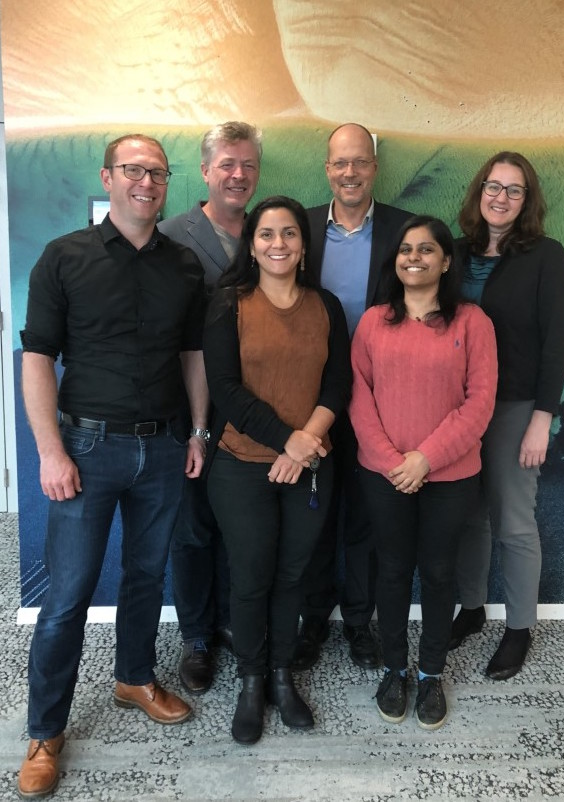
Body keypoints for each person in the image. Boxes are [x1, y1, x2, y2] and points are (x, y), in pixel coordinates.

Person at [17, 134, 207, 798]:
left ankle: (133, 678)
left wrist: (198, 431)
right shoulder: (63, 257)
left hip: (161, 448)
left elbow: (192, 355)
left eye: (157, 172)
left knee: (145, 577)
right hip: (85, 451)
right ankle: (45, 731)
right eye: (133, 170)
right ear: (108, 176)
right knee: (66, 596)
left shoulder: (183, 267)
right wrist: (48, 451)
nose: (146, 182)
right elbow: (37, 356)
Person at [203, 196, 351, 744]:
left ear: (303, 244)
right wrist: (287, 441)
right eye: (267, 234)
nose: (278, 244)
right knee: (250, 579)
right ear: (252, 244)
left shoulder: (326, 306)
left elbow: (338, 383)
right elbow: (225, 390)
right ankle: (251, 681)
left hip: (311, 465)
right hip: (241, 465)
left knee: (294, 576)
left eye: (289, 234)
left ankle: (283, 677)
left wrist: (304, 443)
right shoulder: (228, 304)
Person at [349, 215, 497, 730]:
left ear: (446, 261)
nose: (414, 257)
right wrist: (395, 462)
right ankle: (394, 669)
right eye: (406, 249)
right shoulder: (372, 322)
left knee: (437, 574)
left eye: (427, 249)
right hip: (384, 474)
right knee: (391, 572)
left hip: (451, 476)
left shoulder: (472, 322)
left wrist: (425, 459)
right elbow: (359, 399)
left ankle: (431, 672)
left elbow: (479, 405)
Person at [450, 152, 564, 680]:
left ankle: (520, 626)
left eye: (514, 189)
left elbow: (560, 342)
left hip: (516, 406)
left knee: (514, 522)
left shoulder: (545, 255)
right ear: (479, 191)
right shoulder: (452, 253)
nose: (500, 197)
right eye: (492, 186)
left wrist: (543, 418)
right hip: (457, 409)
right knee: (468, 516)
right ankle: (473, 608)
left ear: (527, 201)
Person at [293, 122, 412, 671]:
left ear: (374, 168)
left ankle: (359, 624)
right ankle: (315, 617)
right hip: (312, 396)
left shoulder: (402, 231)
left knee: (365, 515)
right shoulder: (303, 230)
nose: (350, 172)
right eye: (340, 163)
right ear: (326, 169)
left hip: (378, 398)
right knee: (314, 514)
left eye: (360, 162)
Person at [158, 121, 262, 694]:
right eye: (227, 163)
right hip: (188, 409)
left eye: (247, 164)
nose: (238, 174)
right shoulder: (172, 235)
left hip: (256, 409)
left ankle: (230, 623)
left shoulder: (269, 233)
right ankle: (196, 635)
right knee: (193, 526)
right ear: (204, 171)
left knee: (241, 526)